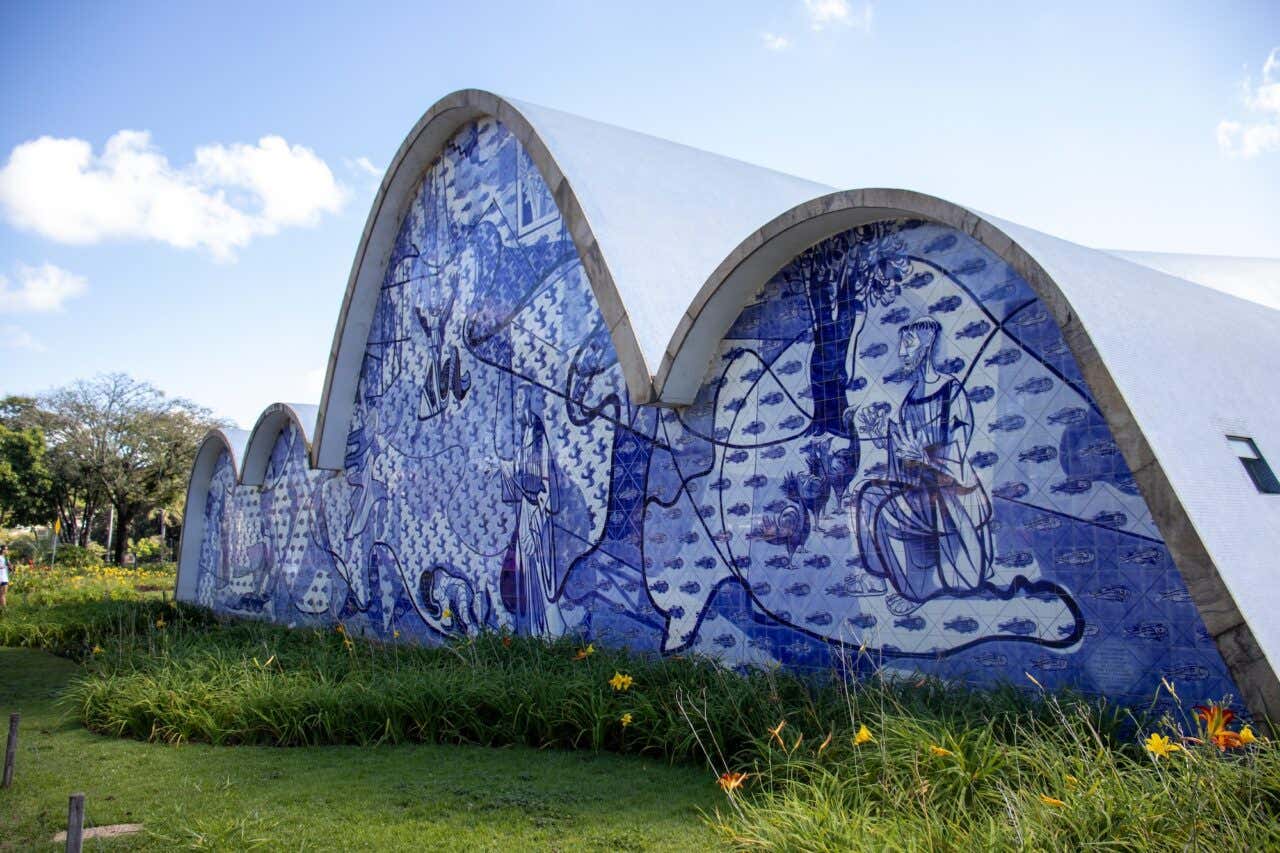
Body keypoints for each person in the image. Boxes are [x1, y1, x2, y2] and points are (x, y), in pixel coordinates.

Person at [855, 317, 994, 615]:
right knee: (869, 496)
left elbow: (958, 451)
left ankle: (914, 592)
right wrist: (886, 437)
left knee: (903, 506)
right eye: (900, 345)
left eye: (909, 344)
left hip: (950, 491)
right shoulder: (909, 401)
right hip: (919, 485)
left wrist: (925, 459)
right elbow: (903, 455)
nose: (902, 352)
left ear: (928, 343)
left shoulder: (950, 391)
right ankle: (881, 577)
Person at [0, 543, 10, 609]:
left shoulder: (6, 558)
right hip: (1, 577)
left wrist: (10, 567)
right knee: (2, 594)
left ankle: (3, 609)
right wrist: (4, 566)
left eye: (7, 549)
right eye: (6, 549)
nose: (7, 551)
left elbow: (9, 566)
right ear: (2, 550)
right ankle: (5, 609)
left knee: (3, 594)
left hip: (5, 577)